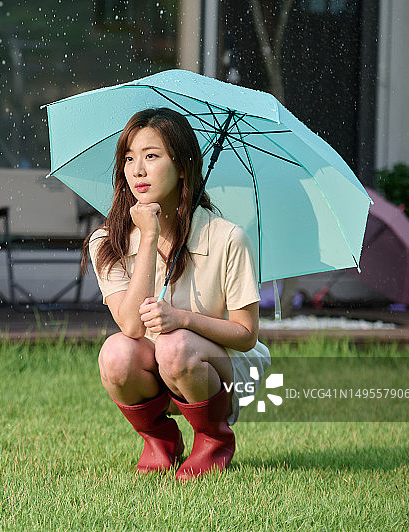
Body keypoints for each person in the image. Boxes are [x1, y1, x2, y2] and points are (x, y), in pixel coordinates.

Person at [83, 107, 271, 481]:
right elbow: (132, 327)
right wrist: (149, 236)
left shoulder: (227, 237)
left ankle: (213, 438)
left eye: (151, 156)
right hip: (156, 361)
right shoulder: (107, 241)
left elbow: (247, 334)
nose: (137, 169)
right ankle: (159, 440)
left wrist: (182, 319)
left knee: (176, 345)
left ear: (183, 167)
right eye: (129, 158)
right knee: (115, 353)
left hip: (224, 368)